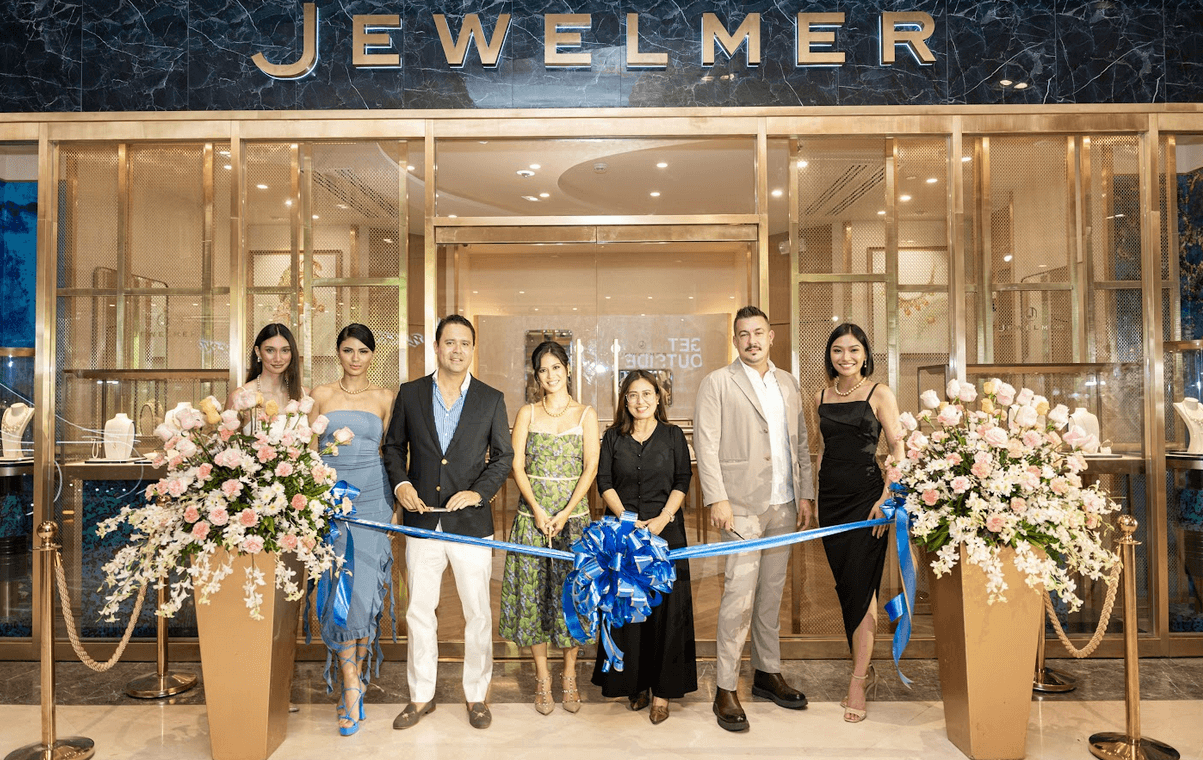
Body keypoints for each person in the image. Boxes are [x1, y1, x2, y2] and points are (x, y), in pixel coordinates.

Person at [382, 314, 514, 730]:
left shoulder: (491, 399)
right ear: (436, 347)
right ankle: (422, 697)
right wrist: (401, 483)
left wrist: (480, 492)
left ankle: (477, 695)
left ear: (472, 349)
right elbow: (392, 447)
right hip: (421, 523)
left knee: (478, 613)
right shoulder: (411, 393)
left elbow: (504, 456)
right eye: (449, 342)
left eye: (464, 343)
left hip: (472, 524)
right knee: (419, 612)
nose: (457, 350)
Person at [694, 305, 815, 733]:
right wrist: (717, 499)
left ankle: (767, 673)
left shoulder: (788, 383)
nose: (752, 341)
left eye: (758, 332)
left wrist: (805, 493)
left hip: (783, 504)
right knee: (737, 597)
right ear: (735, 339)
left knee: (770, 595)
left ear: (771, 336)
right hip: (741, 507)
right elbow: (705, 447)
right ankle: (725, 686)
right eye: (743, 334)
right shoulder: (717, 383)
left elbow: (799, 443)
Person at [499, 341, 599, 715]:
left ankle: (569, 675)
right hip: (532, 522)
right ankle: (542, 678)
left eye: (556, 367)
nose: (551, 375)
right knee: (532, 600)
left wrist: (566, 511)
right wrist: (540, 512)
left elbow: (590, 467)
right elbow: (517, 466)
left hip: (573, 525)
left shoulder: (586, 414)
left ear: (568, 369)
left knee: (571, 600)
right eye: (543, 370)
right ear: (536, 376)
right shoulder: (527, 412)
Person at [591, 370, 696, 725]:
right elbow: (604, 481)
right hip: (624, 537)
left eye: (647, 394)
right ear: (624, 400)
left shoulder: (672, 436)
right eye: (633, 395)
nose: (640, 401)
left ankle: (662, 693)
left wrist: (663, 518)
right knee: (628, 612)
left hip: (666, 535)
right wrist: (626, 519)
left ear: (658, 398)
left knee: (666, 613)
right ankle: (633, 683)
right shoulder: (612, 437)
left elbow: (683, 479)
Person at [308, 324, 397, 736]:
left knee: (364, 595)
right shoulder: (320, 394)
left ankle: (356, 678)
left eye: (363, 350)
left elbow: (393, 453)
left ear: (372, 355)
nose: (355, 357)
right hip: (331, 505)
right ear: (338, 353)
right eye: (348, 350)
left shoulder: (385, 398)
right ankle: (349, 688)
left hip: (374, 503)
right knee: (339, 593)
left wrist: (395, 506)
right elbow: (308, 455)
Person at [814, 323, 903, 723]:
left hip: (868, 502)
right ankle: (863, 667)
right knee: (846, 588)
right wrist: (814, 501)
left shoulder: (878, 392)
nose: (845, 357)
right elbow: (821, 451)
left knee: (862, 585)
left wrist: (887, 499)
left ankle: (858, 679)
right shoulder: (820, 394)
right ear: (830, 354)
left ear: (865, 353)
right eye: (837, 350)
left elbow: (899, 449)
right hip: (831, 502)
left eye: (853, 350)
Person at [226, 323, 308, 422]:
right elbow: (227, 435)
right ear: (258, 351)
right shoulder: (239, 397)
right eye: (270, 350)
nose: (278, 358)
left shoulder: (305, 396)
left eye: (285, 350)